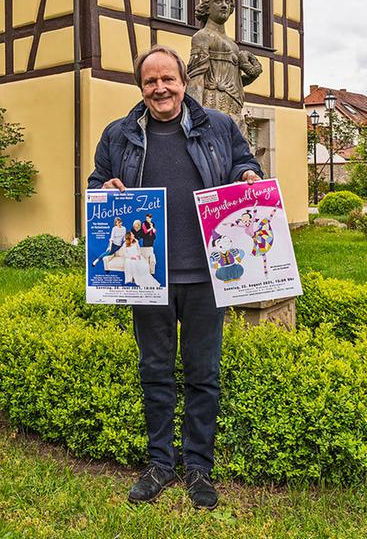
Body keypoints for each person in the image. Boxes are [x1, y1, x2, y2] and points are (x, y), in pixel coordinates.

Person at [88, 44, 261, 510]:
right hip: (148, 274)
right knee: (155, 371)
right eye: (150, 81)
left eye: (168, 79)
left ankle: (198, 467)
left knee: (204, 373)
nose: (160, 88)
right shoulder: (120, 133)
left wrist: (246, 175)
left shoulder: (219, 126)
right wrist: (103, 188)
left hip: (209, 271)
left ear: (184, 82)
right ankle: (160, 463)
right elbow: (95, 182)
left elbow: (248, 164)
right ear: (141, 87)